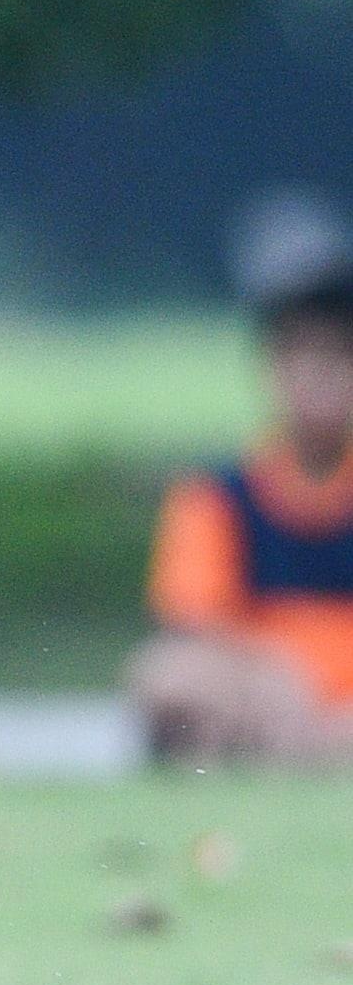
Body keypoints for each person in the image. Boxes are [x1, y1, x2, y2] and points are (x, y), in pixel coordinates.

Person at [126, 205, 353, 764]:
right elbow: (194, 626)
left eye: (337, 358)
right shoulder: (221, 495)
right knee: (165, 675)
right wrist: (274, 679)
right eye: (302, 356)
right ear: (272, 367)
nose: (319, 379)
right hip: (258, 694)